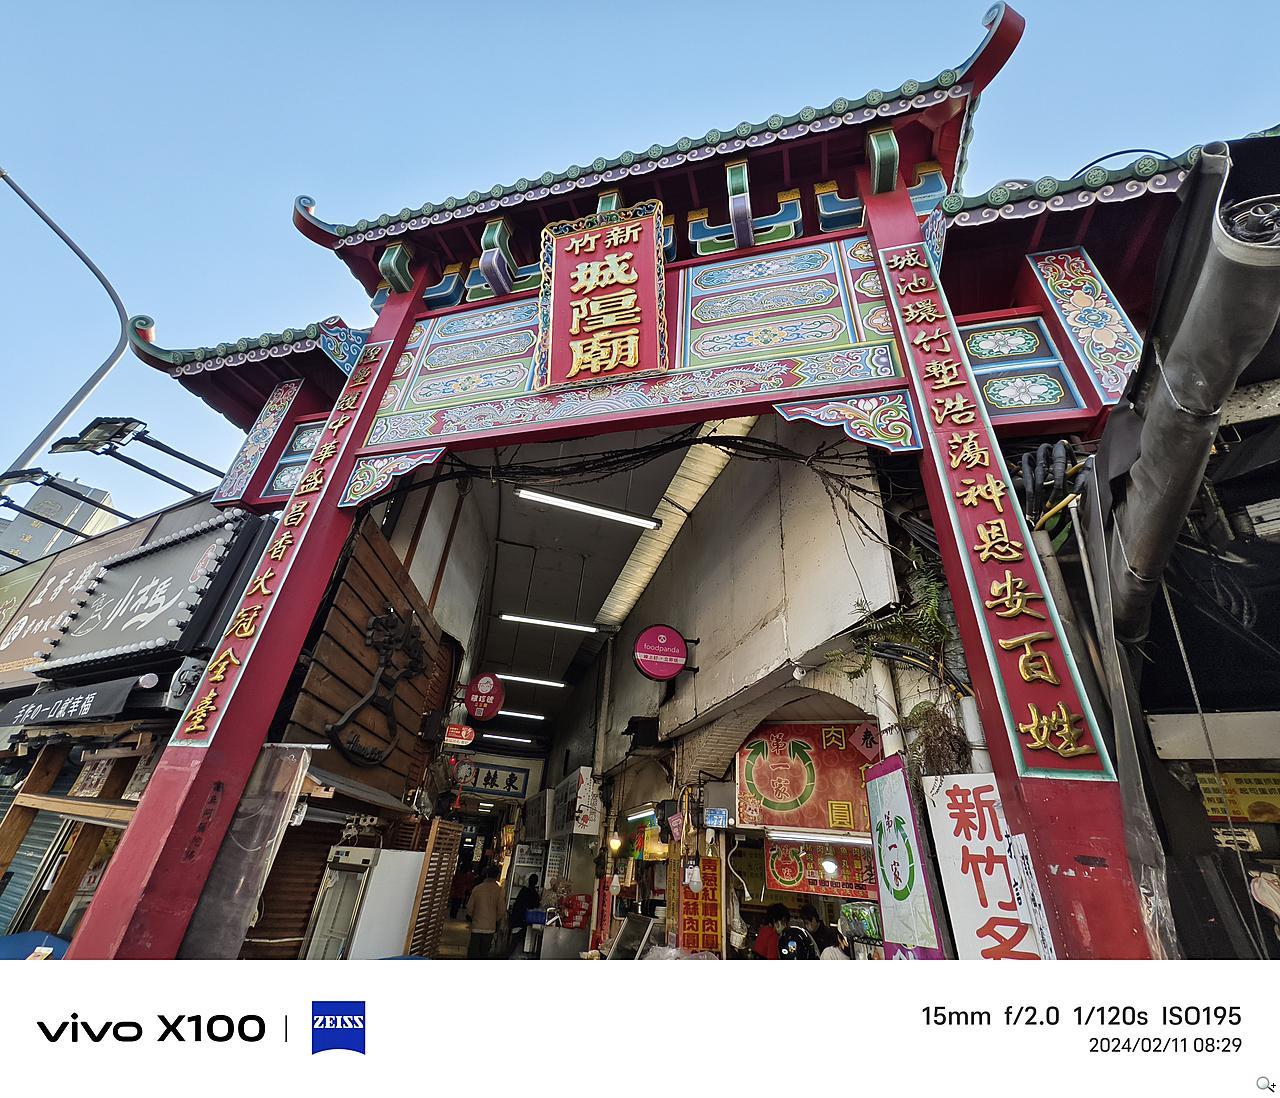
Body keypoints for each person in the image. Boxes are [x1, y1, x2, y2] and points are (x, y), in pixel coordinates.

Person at [465, 866, 503, 959]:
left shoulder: (477, 888)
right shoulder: (499, 890)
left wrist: (474, 917)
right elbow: (501, 910)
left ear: (486, 874)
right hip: (490, 928)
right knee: (484, 954)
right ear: (497, 876)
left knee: (473, 953)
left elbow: (469, 908)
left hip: (476, 926)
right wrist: (494, 919)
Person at [508, 873, 541, 954]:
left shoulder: (523, 890)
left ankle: (508, 955)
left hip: (517, 918)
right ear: (536, 882)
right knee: (519, 941)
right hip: (525, 920)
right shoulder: (534, 894)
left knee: (514, 940)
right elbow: (536, 905)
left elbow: (517, 903)